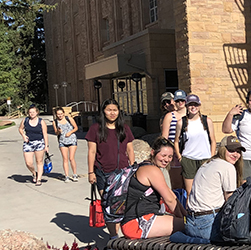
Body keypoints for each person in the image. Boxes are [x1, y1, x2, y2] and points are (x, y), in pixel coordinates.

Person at [171, 135, 245, 244]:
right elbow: (231, 201)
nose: (235, 154)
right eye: (231, 150)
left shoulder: (207, 163)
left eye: (238, 151)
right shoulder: (227, 166)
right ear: (222, 149)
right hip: (207, 225)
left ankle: (183, 238)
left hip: (191, 225)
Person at [86, 99, 135, 238]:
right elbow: (91, 152)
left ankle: (124, 232)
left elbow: (130, 150)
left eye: (115, 110)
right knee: (108, 204)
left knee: (123, 204)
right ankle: (114, 236)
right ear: (103, 111)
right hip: (103, 171)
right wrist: (90, 172)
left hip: (123, 172)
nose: (112, 113)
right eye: (109, 110)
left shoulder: (124, 128)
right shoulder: (95, 129)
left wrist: (132, 167)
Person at [120, 138, 186, 239]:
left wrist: (186, 215)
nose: (167, 160)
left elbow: (171, 194)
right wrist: (185, 219)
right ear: (153, 152)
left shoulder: (144, 166)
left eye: (170, 156)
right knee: (190, 226)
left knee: (186, 222)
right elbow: (169, 200)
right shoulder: (152, 170)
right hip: (137, 224)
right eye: (163, 155)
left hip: (138, 220)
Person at [175, 94, 216, 194]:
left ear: (199, 105)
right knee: (190, 191)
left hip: (205, 159)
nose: (193, 107)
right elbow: (176, 141)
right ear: (187, 106)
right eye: (190, 105)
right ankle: (189, 209)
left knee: (205, 189)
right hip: (188, 159)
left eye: (195, 104)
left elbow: (213, 140)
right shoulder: (182, 122)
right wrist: (180, 158)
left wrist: (212, 156)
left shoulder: (207, 121)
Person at [161, 89, 187, 189]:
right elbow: (164, 138)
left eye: (182, 100)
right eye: (177, 101)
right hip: (174, 155)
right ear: (174, 102)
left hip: (189, 153)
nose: (180, 103)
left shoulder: (191, 115)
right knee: (176, 184)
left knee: (190, 185)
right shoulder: (169, 116)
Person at [19, 104, 49, 187]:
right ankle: (34, 173)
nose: (31, 114)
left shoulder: (41, 121)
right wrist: (23, 135)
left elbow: (45, 134)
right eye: (30, 112)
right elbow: (20, 129)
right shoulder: (25, 120)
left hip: (39, 142)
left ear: (37, 112)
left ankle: (38, 179)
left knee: (39, 161)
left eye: (33, 112)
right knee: (28, 163)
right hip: (28, 143)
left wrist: (46, 145)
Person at [53, 107, 79, 182]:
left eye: (61, 114)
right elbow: (56, 133)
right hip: (62, 141)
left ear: (64, 113)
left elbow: (76, 128)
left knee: (71, 158)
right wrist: (58, 131)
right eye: (58, 114)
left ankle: (74, 174)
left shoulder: (69, 119)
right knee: (65, 159)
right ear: (56, 115)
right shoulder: (55, 122)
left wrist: (70, 132)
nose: (60, 115)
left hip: (72, 140)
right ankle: (66, 175)